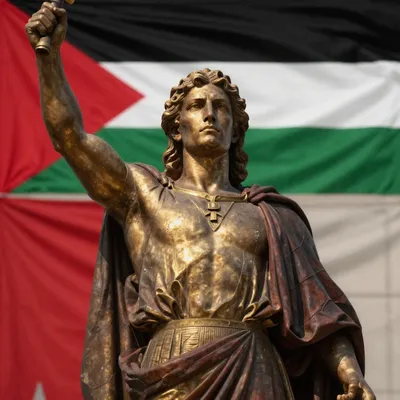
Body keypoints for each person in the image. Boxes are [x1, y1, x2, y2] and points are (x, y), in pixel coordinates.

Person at [26, 3, 376, 399]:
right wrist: (49, 59)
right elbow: (70, 137)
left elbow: (319, 312)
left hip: (253, 365)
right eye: (196, 106)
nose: (210, 114)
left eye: (220, 107)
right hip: (171, 365)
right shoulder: (144, 194)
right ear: (177, 128)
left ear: (235, 129)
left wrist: (350, 372)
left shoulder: (271, 216)